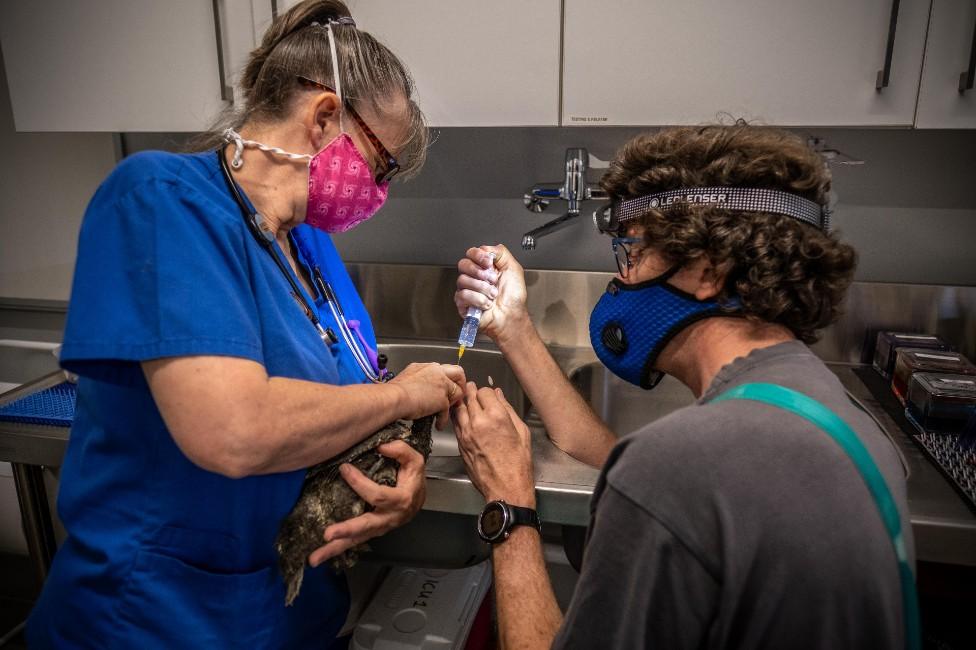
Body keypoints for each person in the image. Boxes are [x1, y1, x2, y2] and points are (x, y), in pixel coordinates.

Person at [26, 2, 465, 647]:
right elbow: (233, 431)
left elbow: (349, 405)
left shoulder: (311, 248)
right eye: (382, 166)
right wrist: (404, 396)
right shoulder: (160, 201)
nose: (379, 191)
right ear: (323, 117)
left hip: (291, 611)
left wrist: (398, 486)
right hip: (161, 618)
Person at [452, 125, 917, 649]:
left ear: (708, 269)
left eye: (630, 252)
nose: (622, 279)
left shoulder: (678, 468)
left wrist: (508, 499)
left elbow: (658, 475)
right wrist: (513, 326)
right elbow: (622, 461)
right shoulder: (834, 412)